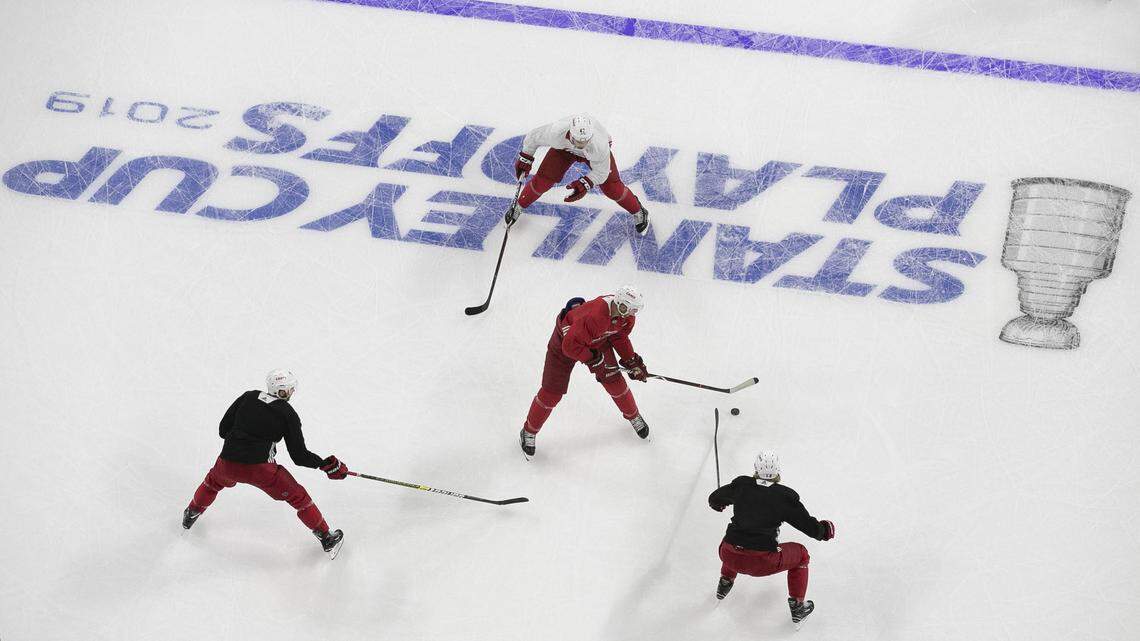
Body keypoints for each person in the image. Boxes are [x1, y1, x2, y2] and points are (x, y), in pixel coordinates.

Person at [182, 369, 349, 558]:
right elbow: (299, 456)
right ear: (282, 392)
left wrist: (241, 443)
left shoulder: (248, 396)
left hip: (227, 462)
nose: (292, 393)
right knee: (299, 497)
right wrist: (326, 465)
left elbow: (222, 430)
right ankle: (326, 537)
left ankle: (191, 514)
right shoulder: (288, 414)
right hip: (261, 470)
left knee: (212, 483)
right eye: (290, 390)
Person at [708, 451, 835, 629]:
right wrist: (824, 530)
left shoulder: (741, 485)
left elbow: (714, 498)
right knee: (801, 554)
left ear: (755, 469)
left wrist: (719, 504)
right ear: (777, 472)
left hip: (727, 554)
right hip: (760, 562)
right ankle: (798, 607)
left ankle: (725, 583)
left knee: (736, 541)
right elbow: (810, 528)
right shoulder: (784, 497)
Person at [520, 285, 651, 457]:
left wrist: (631, 361)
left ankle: (633, 416)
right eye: (626, 308)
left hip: (597, 339)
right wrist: (594, 359)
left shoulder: (626, 317)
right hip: (564, 344)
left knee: (614, 381)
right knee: (552, 393)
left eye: (633, 311)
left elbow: (619, 336)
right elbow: (569, 346)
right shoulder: (594, 317)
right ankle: (529, 430)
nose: (629, 314)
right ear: (618, 302)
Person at [507, 114, 650, 235]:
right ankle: (518, 206)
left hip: (591, 154)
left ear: (591, 136)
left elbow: (602, 173)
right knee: (544, 180)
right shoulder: (556, 133)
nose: (581, 146)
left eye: (585, 141)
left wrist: (586, 183)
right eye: (577, 141)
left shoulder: (599, 145)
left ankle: (639, 211)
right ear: (570, 133)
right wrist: (525, 157)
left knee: (612, 188)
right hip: (564, 150)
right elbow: (533, 137)